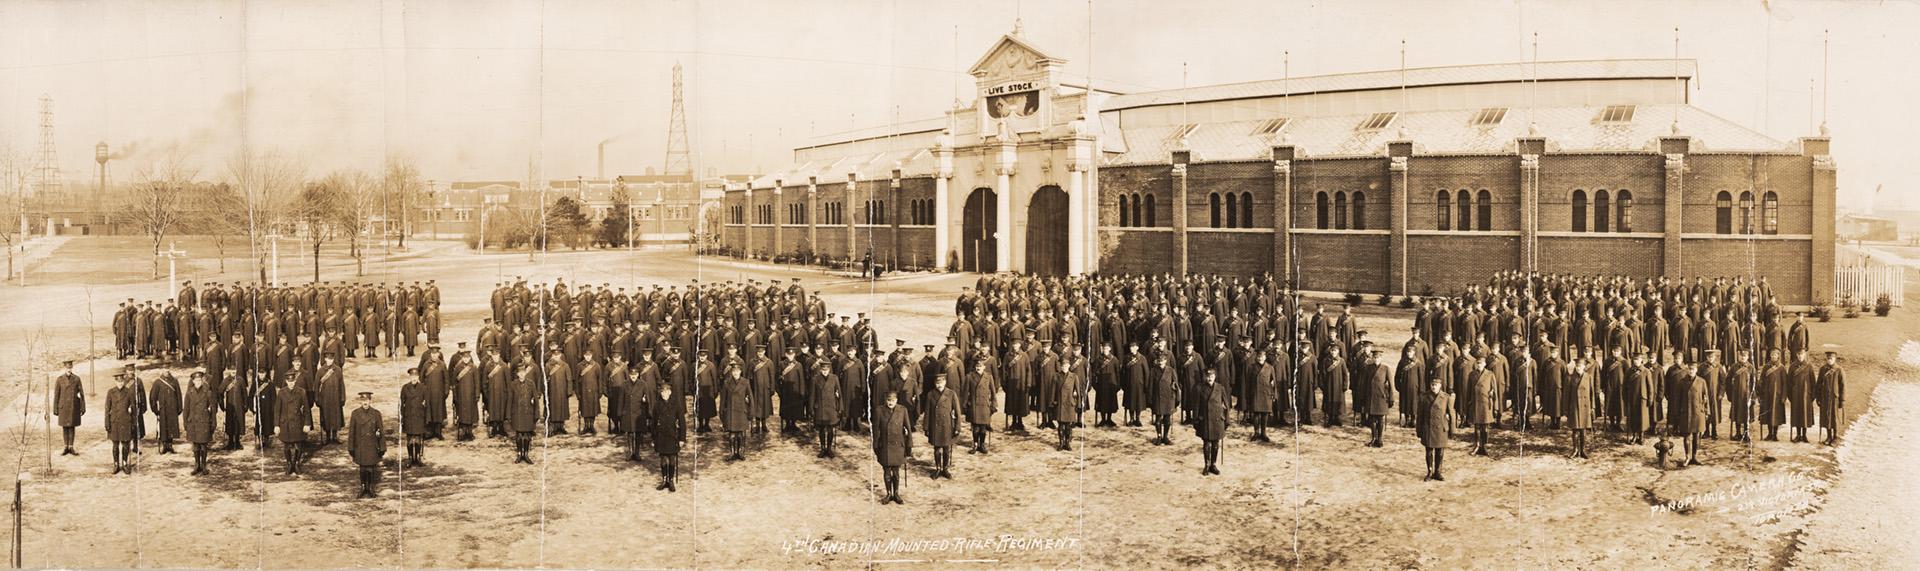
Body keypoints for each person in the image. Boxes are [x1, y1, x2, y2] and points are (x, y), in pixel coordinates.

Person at [873, 391, 911, 504]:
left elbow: (908, 429)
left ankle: (896, 493)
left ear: (896, 400)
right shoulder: (879, 411)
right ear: (886, 400)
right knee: (886, 470)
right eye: (889, 400)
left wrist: (909, 446)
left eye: (893, 400)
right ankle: (889, 493)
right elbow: (875, 431)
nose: (890, 402)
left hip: (898, 445)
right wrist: (875, 446)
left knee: (896, 471)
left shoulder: (903, 410)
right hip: (884, 445)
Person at [349, 392, 387, 498]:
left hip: (372, 445)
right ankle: (362, 487)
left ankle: (370, 488)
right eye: (363, 400)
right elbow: (351, 433)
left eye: (367, 400)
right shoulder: (355, 414)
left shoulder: (376, 414)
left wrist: (382, 447)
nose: (365, 402)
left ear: (370, 401)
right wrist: (351, 448)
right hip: (360, 446)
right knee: (362, 468)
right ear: (360, 401)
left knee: (370, 468)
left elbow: (381, 431)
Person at [923, 373, 960, 478]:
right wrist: (926, 427)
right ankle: (938, 468)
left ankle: (945, 468)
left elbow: (957, 412)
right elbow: (927, 412)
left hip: (947, 425)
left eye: (941, 382)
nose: (939, 385)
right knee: (937, 448)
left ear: (945, 382)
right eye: (937, 383)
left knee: (946, 448)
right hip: (935, 425)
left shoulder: (951, 394)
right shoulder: (930, 394)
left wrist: (957, 427)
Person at [1418, 379, 1454, 481]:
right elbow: (1420, 415)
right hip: (1428, 428)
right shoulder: (1424, 397)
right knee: (1429, 451)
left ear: (1440, 386)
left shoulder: (1446, 397)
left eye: (1436, 385)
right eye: (1432, 385)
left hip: (1441, 429)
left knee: (1440, 452)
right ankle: (1429, 472)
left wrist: (1452, 430)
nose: (1434, 387)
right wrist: (1419, 430)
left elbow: (1451, 414)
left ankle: (1438, 472)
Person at [652, 381, 685, 492]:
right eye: (662, 392)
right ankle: (664, 479)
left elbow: (682, 423)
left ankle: (670, 480)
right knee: (662, 459)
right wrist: (653, 438)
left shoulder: (676, 404)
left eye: (666, 392)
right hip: (661, 435)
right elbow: (653, 423)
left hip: (672, 435)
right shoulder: (657, 405)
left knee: (671, 459)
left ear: (670, 392)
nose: (664, 394)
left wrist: (682, 439)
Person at [1196, 368, 1229, 475]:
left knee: (1215, 443)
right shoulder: (1200, 388)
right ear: (1205, 377)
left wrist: (1226, 420)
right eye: (1208, 376)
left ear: (1215, 377)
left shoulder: (1220, 388)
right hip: (1205, 419)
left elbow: (1227, 406)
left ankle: (1213, 465)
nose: (1210, 378)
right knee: (1206, 443)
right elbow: (1196, 406)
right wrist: (1196, 420)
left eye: (1212, 376)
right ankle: (1206, 465)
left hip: (1217, 420)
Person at [183, 372, 216, 475]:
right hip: (193, 422)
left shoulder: (208, 392)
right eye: (196, 380)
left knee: (203, 445)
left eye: (199, 380)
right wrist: (185, 422)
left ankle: (204, 465)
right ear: (193, 381)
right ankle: (197, 465)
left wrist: (213, 422)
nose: (198, 382)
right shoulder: (189, 393)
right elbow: (186, 409)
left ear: (202, 381)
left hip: (204, 421)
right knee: (196, 445)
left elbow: (213, 409)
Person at [963, 359, 998, 455]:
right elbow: (965, 393)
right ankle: (975, 444)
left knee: (983, 428)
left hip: (985, 405)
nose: (979, 368)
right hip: (974, 405)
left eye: (981, 366)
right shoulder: (969, 376)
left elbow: (993, 393)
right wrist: (965, 405)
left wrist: (994, 405)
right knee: (975, 428)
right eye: (977, 366)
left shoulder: (988, 377)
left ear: (984, 367)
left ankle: (982, 444)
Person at [278, 376, 310, 474]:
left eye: (293, 381)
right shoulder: (281, 393)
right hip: (285, 423)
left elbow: (306, 409)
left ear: (295, 381)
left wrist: (307, 423)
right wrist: (276, 425)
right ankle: (289, 464)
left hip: (297, 422)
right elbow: (277, 410)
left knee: (298, 445)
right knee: (286, 445)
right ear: (286, 381)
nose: (291, 383)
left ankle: (296, 463)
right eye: (289, 381)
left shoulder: (301, 392)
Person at [720, 364, 752, 461]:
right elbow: (723, 400)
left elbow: (751, 398)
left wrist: (751, 412)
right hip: (731, 411)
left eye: (737, 371)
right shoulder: (726, 383)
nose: (735, 373)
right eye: (734, 371)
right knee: (732, 434)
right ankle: (732, 452)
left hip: (742, 411)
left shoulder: (745, 382)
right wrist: (722, 412)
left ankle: (741, 452)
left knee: (742, 433)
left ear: (740, 372)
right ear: (731, 372)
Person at [811, 360, 842, 458]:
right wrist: (811, 408)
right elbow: (812, 395)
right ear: (820, 369)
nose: (825, 371)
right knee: (821, 429)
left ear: (829, 369)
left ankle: (829, 449)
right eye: (823, 369)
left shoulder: (834, 378)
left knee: (830, 430)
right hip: (820, 407)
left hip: (831, 408)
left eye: (827, 369)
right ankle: (822, 448)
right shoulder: (815, 379)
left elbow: (839, 394)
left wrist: (840, 408)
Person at [1565, 359, 1596, 459]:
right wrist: (1566, 408)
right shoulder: (1570, 378)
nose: (1578, 368)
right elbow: (1567, 394)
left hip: (1585, 407)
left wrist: (1593, 407)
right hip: (1574, 406)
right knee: (1575, 430)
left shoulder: (1588, 377)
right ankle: (1575, 450)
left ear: (1584, 367)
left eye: (1580, 366)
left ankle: (1582, 450)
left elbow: (1592, 393)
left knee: (1583, 430)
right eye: (1577, 366)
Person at [53, 360, 85, 456]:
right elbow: (56, 395)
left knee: (72, 426)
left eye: (70, 368)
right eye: (67, 368)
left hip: (73, 406)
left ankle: (71, 446)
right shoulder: (59, 379)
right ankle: (65, 446)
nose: (69, 369)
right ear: (64, 368)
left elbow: (82, 394)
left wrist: (83, 407)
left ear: (72, 368)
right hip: (63, 407)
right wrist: (55, 408)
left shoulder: (76, 379)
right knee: (64, 427)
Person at [1150, 353, 1181, 446]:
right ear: (1157, 361)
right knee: (1158, 419)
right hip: (1157, 398)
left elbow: (1176, 384)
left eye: (1163, 360)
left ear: (1166, 361)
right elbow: (1150, 385)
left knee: (1167, 419)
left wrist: (1177, 398)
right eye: (1159, 360)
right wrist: (1150, 399)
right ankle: (1159, 436)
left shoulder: (1171, 370)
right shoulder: (1153, 371)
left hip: (1169, 398)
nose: (1161, 362)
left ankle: (1165, 437)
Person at [509, 367, 539, 464]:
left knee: (526, 435)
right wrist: (508, 415)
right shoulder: (513, 384)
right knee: (518, 435)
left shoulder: (531, 384)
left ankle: (526, 454)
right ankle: (519, 454)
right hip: (517, 413)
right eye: (519, 373)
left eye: (523, 372)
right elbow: (510, 400)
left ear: (525, 373)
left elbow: (536, 400)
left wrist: (536, 414)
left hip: (527, 413)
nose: (521, 375)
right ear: (517, 374)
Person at [1817, 351, 1846, 446]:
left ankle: (1835, 437)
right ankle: (1829, 436)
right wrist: (1818, 397)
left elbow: (1843, 386)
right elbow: (1819, 384)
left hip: (1834, 398)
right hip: (1825, 397)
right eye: (1828, 358)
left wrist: (1842, 400)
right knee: (1826, 417)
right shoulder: (1823, 369)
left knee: (1834, 417)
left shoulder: (1839, 370)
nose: (1829, 360)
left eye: (1831, 358)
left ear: (1835, 359)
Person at [149, 371, 183, 454]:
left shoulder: (174, 381)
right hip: (163, 409)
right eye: (164, 369)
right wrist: (155, 410)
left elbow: (179, 395)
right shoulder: (158, 382)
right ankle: (164, 445)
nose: (166, 371)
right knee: (163, 427)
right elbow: (153, 397)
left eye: (168, 368)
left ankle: (170, 445)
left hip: (172, 408)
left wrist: (179, 408)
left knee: (171, 426)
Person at [1364, 349, 1392, 447]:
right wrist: (1364, 398)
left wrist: (1391, 398)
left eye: (1378, 357)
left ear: (1381, 358)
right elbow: (1365, 384)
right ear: (1372, 358)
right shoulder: (1368, 368)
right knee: (1371, 419)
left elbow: (1391, 385)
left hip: (1381, 398)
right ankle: (1373, 438)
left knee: (1380, 419)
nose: (1376, 359)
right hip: (1371, 397)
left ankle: (1380, 439)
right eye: (1375, 357)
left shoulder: (1385, 368)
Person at [401, 368, 429, 467]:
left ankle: (417, 458)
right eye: (412, 376)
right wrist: (402, 418)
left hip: (419, 417)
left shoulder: (423, 388)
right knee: (409, 439)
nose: (414, 378)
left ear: (418, 377)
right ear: (410, 377)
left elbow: (427, 404)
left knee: (418, 438)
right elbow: (402, 404)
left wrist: (427, 418)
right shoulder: (405, 388)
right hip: (409, 417)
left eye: (416, 376)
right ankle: (410, 458)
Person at [1053, 358, 1080, 451]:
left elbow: (1078, 391)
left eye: (1066, 366)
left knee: (1068, 426)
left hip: (1069, 403)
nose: (1064, 367)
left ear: (1069, 366)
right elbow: (1053, 390)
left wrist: (1078, 403)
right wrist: (1053, 401)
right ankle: (1061, 443)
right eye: (1063, 366)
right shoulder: (1056, 376)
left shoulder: (1074, 376)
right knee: (1060, 425)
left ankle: (1067, 444)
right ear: (1061, 367)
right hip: (1060, 403)